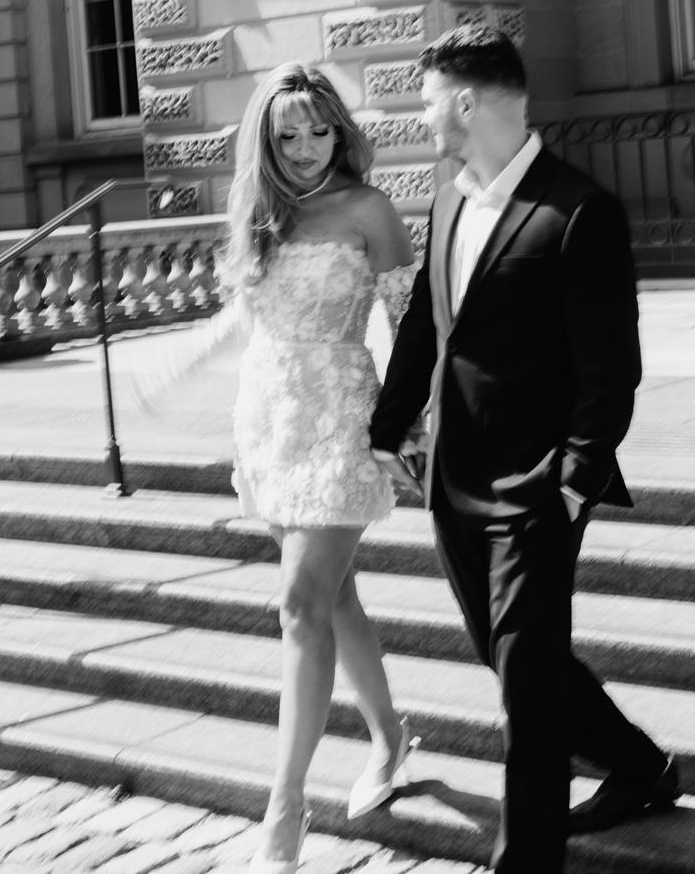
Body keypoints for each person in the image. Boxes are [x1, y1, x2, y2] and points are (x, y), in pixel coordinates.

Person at [368, 25, 679, 873]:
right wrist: (388, 427)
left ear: (466, 102)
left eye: (428, 99)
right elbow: (426, 324)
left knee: (528, 691)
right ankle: (640, 766)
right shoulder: (448, 200)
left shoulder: (579, 210)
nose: (421, 114)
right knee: (512, 658)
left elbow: (610, 367)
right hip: (451, 476)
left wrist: (574, 481)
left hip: (536, 488)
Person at [222, 62, 422, 872]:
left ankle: (285, 807)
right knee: (335, 598)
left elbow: (412, 325)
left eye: (318, 130)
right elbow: (247, 315)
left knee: (301, 606)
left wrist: (409, 427)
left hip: (341, 414)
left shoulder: (369, 208)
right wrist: (176, 362)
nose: (305, 147)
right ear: (265, 142)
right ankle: (391, 737)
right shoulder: (260, 211)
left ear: (340, 130)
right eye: (287, 135)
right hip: (270, 417)